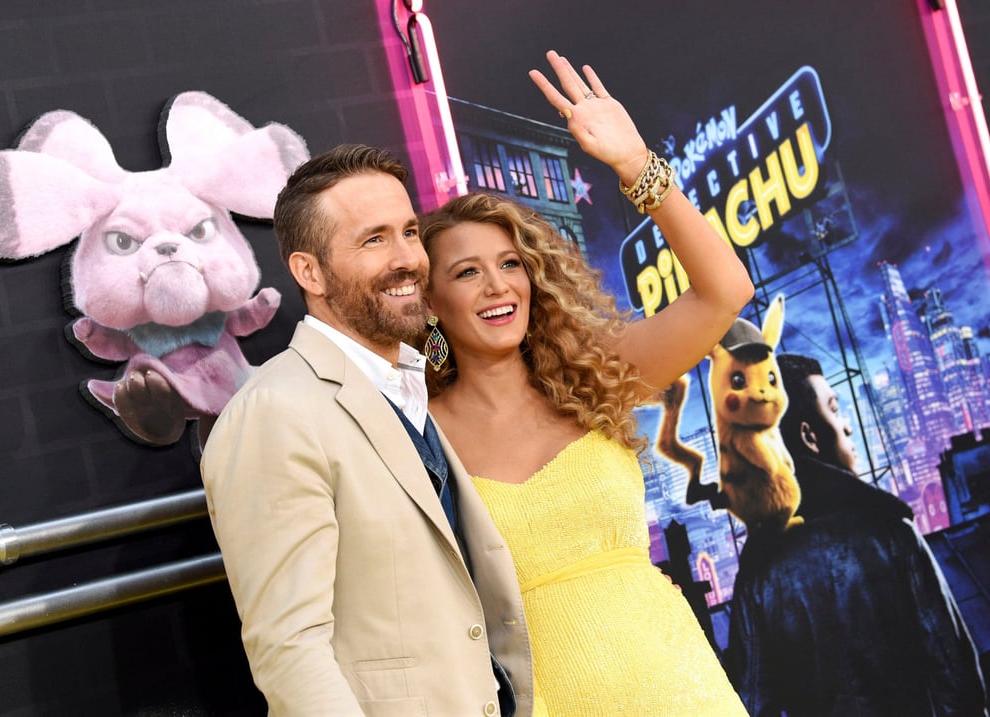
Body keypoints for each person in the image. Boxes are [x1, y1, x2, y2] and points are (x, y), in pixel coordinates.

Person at [417, 50, 755, 716]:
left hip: (678, 686)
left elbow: (725, 293)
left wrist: (638, 167)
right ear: (429, 303)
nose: (497, 286)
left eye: (510, 263)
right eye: (466, 273)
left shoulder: (591, 376)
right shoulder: (419, 435)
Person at [200, 143, 534, 716]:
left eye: (408, 231)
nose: (407, 257)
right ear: (310, 271)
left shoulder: (410, 381)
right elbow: (289, 651)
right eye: (374, 239)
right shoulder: (276, 411)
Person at [724, 352, 989, 716]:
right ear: (809, 436)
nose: (847, 426)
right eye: (834, 409)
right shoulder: (892, 533)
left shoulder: (758, 573)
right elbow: (958, 683)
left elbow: (749, 704)